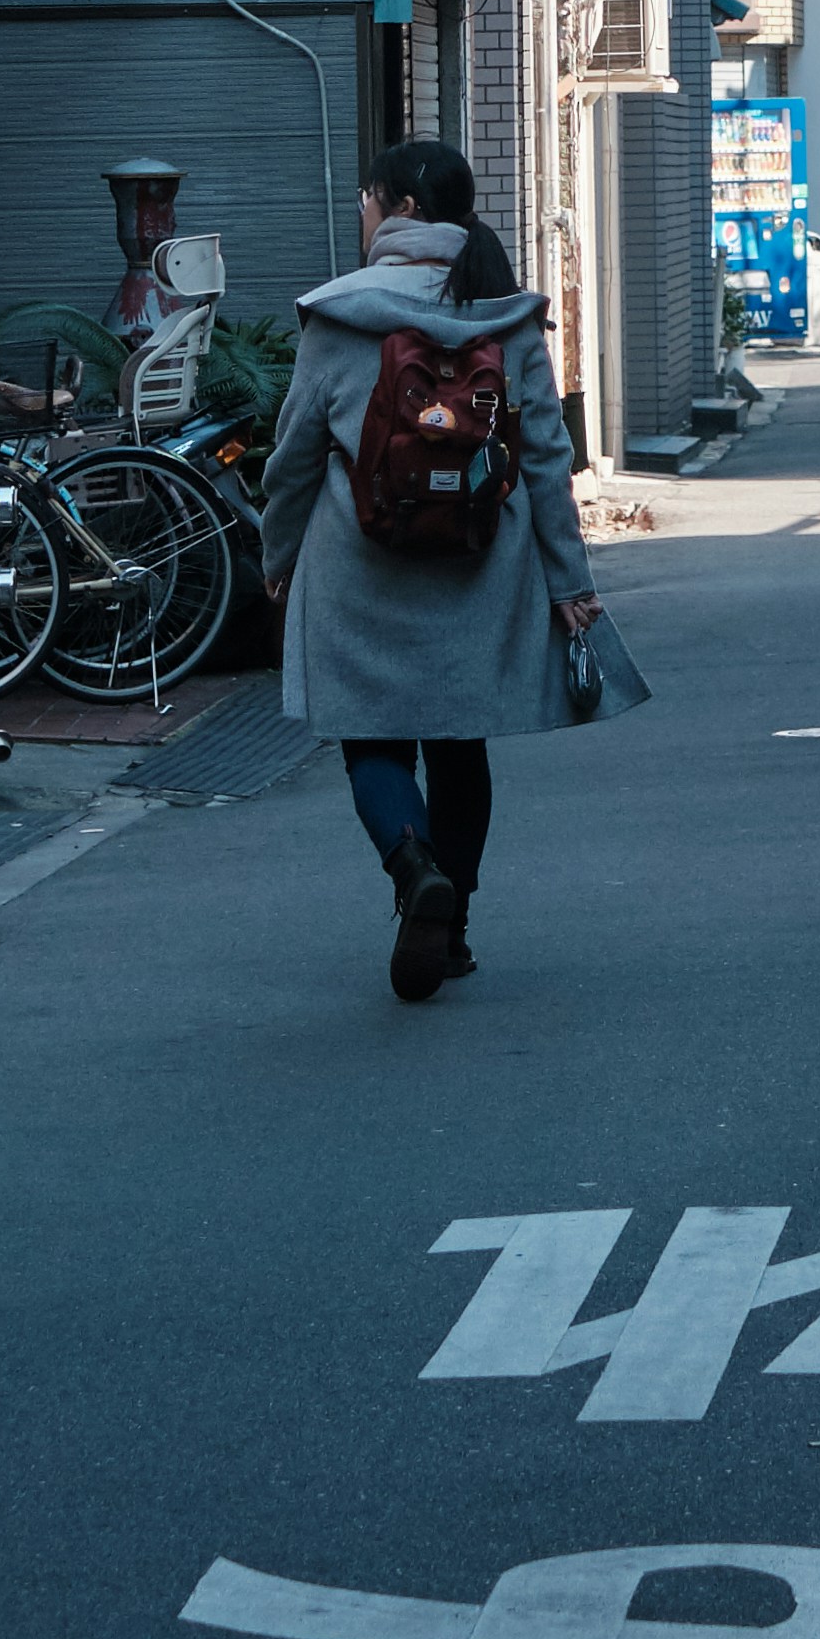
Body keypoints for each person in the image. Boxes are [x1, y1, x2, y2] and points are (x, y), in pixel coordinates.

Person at [255, 139, 613, 1005]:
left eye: (368, 196)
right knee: (459, 745)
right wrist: (570, 585)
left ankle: (413, 867)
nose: (361, 211)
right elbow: (545, 464)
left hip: (359, 560)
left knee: (372, 738)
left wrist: (279, 557)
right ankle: (450, 932)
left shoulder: (340, 313)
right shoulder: (505, 316)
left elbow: (296, 454)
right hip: (479, 560)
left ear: (402, 209)